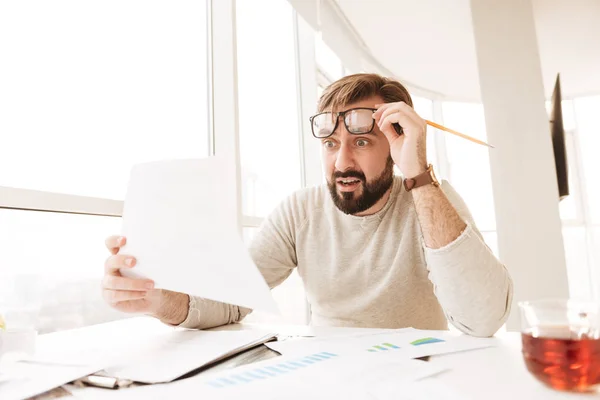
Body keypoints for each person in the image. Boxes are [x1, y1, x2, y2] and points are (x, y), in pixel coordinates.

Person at [101, 73, 513, 337]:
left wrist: (418, 175)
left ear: (396, 144)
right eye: (331, 144)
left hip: (418, 377)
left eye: (363, 142)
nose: (342, 162)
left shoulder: (429, 200)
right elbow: (230, 300)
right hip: (328, 375)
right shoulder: (299, 211)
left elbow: (484, 319)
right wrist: (155, 299)